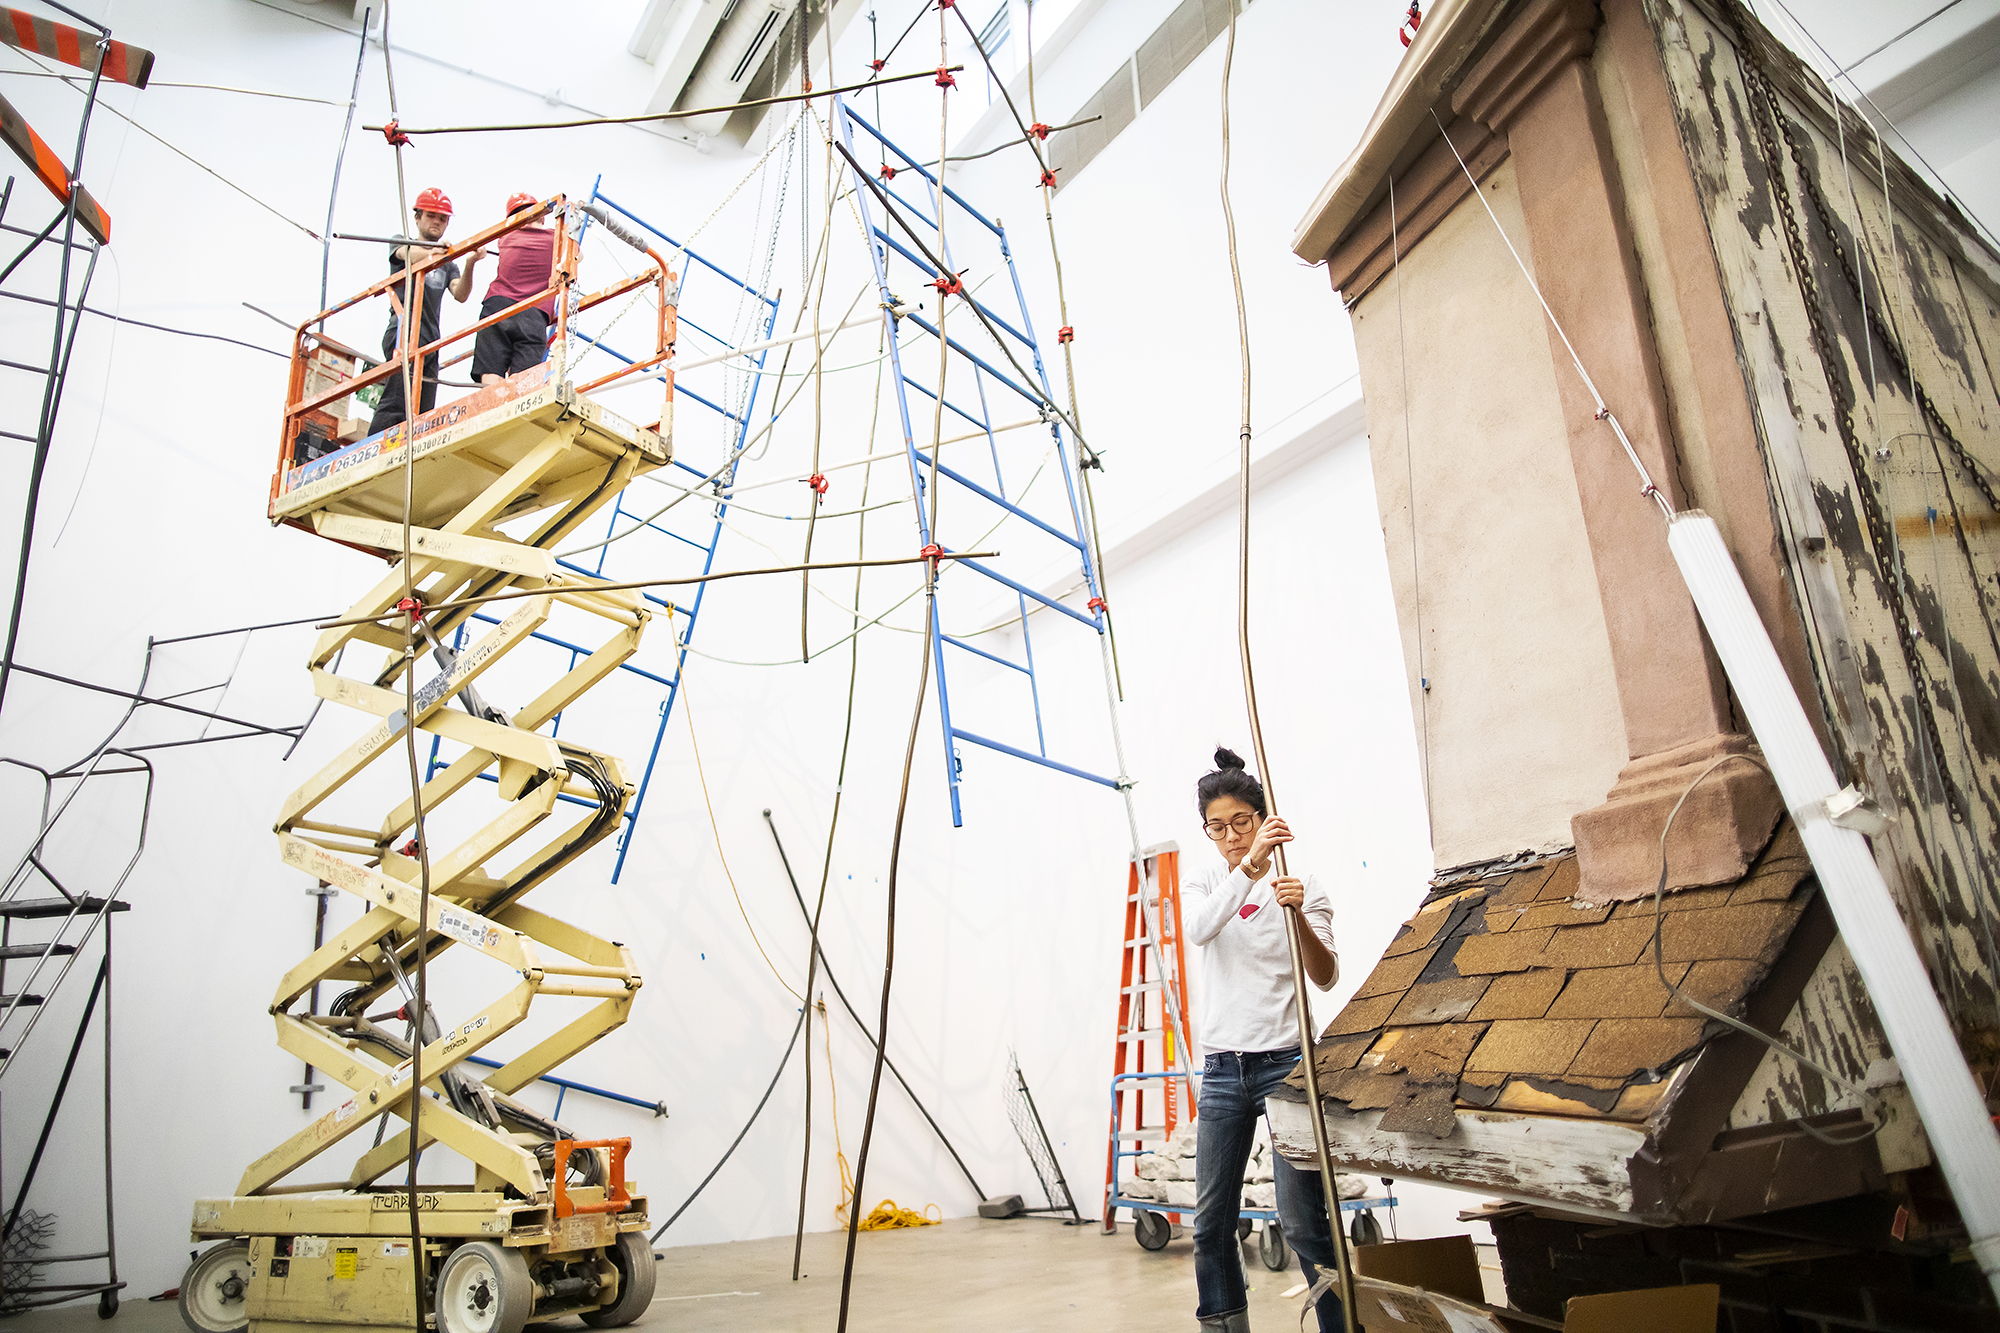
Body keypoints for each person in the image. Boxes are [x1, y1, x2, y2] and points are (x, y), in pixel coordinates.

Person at [1185, 747, 1344, 1333]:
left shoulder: (1304, 884)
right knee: (1210, 1223)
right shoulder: (1206, 878)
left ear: (1262, 817)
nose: (1229, 835)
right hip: (1224, 1070)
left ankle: (1338, 1325)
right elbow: (1200, 930)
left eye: (1241, 822)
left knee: (1303, 1222)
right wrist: (1247, 869)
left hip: (1287, 1067)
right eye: (1217, 827)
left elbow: (1325, 977)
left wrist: (1298, 915)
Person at [368, 186, 481, 435]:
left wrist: (470, 262)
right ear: (417, 217)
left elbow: (460, 294)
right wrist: (435, 252)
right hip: (404, 330)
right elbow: (408, 255)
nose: (437, 222)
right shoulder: (402, 242)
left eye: (443, 219)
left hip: (431, 339)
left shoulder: (446, 263)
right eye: (431, 216)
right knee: (398, 398)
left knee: (423, 409)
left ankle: (414, 449)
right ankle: (373, 445)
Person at [471, 192, 558, 386]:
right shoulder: (556, 239)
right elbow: (579, 256)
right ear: (542, 216)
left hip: (498, 305)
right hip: (534, 313)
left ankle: (491, 407)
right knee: (524, 382)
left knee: (491, 371)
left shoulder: (504, 238)